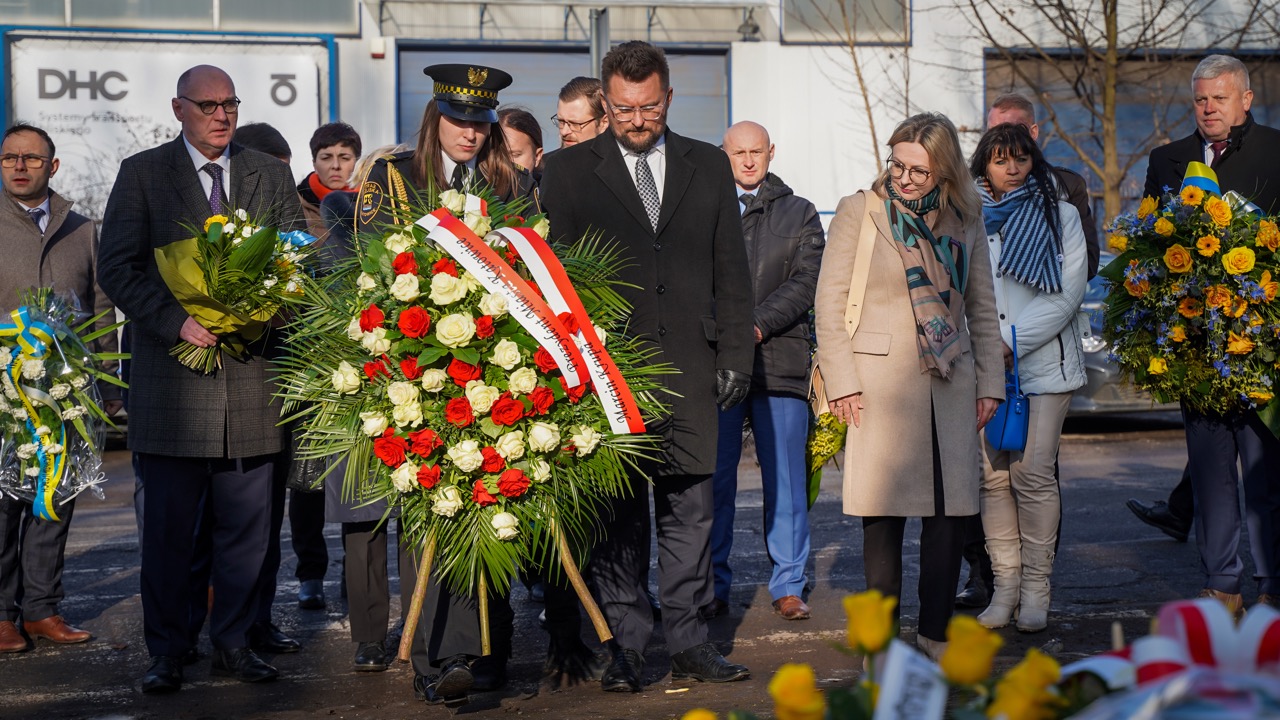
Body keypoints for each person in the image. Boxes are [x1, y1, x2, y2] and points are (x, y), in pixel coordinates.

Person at [540, 40, 755, 693]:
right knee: (616, 522)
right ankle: (626, 645)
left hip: (694, 368)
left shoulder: (710, 165)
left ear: (668, 98)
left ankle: (690, 642)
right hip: (609, 377)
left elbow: (732, 270)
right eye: (626, 108)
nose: (639, 120)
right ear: (607, 102)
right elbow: (554, 282)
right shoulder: (567, 172)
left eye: (651, 107)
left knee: (691, 515)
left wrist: (737, 357)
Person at [96, 64, 305, 694]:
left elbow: (294, 256)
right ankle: (168, 648)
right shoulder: (144, 173)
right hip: (172, 387)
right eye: (208, 105)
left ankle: (236, 643)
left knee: (246, 535)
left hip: (250, 382)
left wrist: (264, 305)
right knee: (168, 535)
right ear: (179, 108)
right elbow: (118, 267)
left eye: (231, 104)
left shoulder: (267, 172)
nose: (222, 115)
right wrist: (174, 320)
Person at [356, 64, 535, 706]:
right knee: (428, 514)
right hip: (412, 370)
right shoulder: (395, 178)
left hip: (494, 370)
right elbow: (369, 269)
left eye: (481, 122)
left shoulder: (510, 180)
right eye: (459, 120)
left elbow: (535, 265)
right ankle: (433, 657)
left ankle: (478, 648)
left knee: (487, 505)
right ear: (436, 117)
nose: (469, 133)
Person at [814, 112, 1003, 661]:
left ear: (943, 170)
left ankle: (936, 637)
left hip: (951, 380)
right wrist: (844, 381)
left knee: (950, 518)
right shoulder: (860, 210)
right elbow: (828, 303)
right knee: (883, 522)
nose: (902, 177)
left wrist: (990, 381)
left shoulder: (966, 218)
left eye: (917, 170)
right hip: (878, 387)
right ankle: (883, 645)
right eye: (896, 163)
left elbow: (982, 309)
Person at [1132, 54, 1280, 616]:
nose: (1209, 107)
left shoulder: (1276, 150)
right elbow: (1146, 246)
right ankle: (1223, 586)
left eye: (1220, 97)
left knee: (1267, 480)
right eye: (1201, 99)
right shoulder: (1166, 160)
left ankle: (1273, 587)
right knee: (1212, 477)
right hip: (1194, 348)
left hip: (1262, 348)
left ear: (1245, 99)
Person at [956, 91, 1103, 610]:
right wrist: (986, 348)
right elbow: (963, 291)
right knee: (992, 479)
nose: (1012, 168)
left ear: (1034, 157)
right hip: (984, 365)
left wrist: (1009, 343)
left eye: (1020, 158)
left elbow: (1068, 293)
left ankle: (1038, 590)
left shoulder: (1060, 213)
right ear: (984, 165)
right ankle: (1005, 589)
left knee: (1032, 474)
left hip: (1043, 365)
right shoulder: (967, 215)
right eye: (1001, 160)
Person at [0, 123, 120, 653]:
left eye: (31, 158)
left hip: (68, 391)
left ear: (53, 167)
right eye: (9, 158)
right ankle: (3, 615)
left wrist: (108, 383)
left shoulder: (82, 227)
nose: (19, 166)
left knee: (55, 499)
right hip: (5, 392)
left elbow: (100, 307)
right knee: (4, 503)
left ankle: (43, 610)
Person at [708, 121, 824, 622]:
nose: (749, 161)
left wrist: (753, 326)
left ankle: (788, 584)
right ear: (725, 154)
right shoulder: (704, 209)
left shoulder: (801, 212)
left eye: (758, 151)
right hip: (717, 363)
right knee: (714, 481)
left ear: (771, 152)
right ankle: (711, 584)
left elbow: (806, 283)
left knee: (787, 481)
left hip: (780, 360)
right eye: (740, 153)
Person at [297, 122, 361, 245]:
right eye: (326, 158)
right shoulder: (295, 207)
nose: (335, 166)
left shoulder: (372, 205)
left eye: (345, 158)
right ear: (314, 163)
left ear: (357, 162)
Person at [553, 76, 608, 148]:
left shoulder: (621, 158)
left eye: (575, 124)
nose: (564, 132)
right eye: (561, 121)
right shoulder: (545, 159)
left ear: (604, 123)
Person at [498, 107, 543, 175]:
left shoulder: (553, 184)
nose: (506, 164)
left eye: (515, 155)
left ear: (537, 156)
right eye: (496, 155)